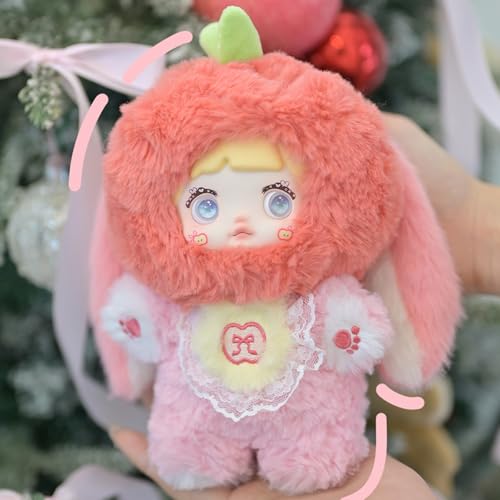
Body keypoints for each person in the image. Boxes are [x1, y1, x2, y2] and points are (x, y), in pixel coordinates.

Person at [109, 113, 500, 499]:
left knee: (314, 453)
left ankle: (310, 455)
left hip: (304, 418)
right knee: (189, 441)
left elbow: (354, 321)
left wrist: (348, 333)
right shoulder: (182, 289)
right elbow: (146, 316)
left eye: (276, 202)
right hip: (200, 413)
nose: (241, 221)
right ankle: (196, 454)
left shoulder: (318, 286)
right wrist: (135, 320)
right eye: (207, 206)